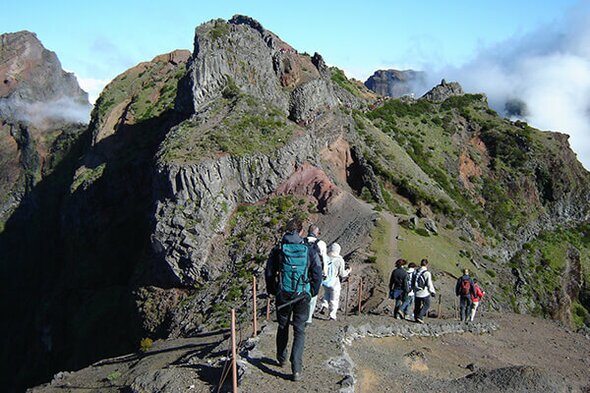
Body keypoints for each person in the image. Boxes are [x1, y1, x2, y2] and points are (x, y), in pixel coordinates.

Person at [265, 217, 322, 381]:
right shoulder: (309, 249)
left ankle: (281, 358)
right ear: (301, 231)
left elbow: (269, 273)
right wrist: (312, 291)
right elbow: (317, 273)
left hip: (283, 294)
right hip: (302, 295)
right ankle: (296, 368)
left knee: (282, 326)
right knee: (300, 330)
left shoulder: (278, 249)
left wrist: (272, 290)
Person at [319, 243, 350, 320]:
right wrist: (348, 271)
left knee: (327, 294)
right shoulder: (340, 260)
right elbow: (342, 274)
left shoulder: (325, 257)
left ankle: (324, 305)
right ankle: (332, 315)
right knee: (334, 299)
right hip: (334, 282)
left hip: (325, 281)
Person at [304, 224, 327, 325]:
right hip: (316, 273)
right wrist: (325, 273)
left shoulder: (302, 241)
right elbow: (324, 260)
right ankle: (308, 318)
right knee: (313, 296)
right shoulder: (321, 244)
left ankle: (301, 315)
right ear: (317, 233)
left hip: (304, 272)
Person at [413, 259, 436, 324]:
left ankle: (415, 316)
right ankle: (420, 316)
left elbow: (413, 281)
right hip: (424, 292)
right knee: (426, 305)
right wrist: (432, 291)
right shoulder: (427, 273)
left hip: (416, 291)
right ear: (426, 264)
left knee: (417, 305)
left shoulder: (416, 271)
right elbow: (429, 283)